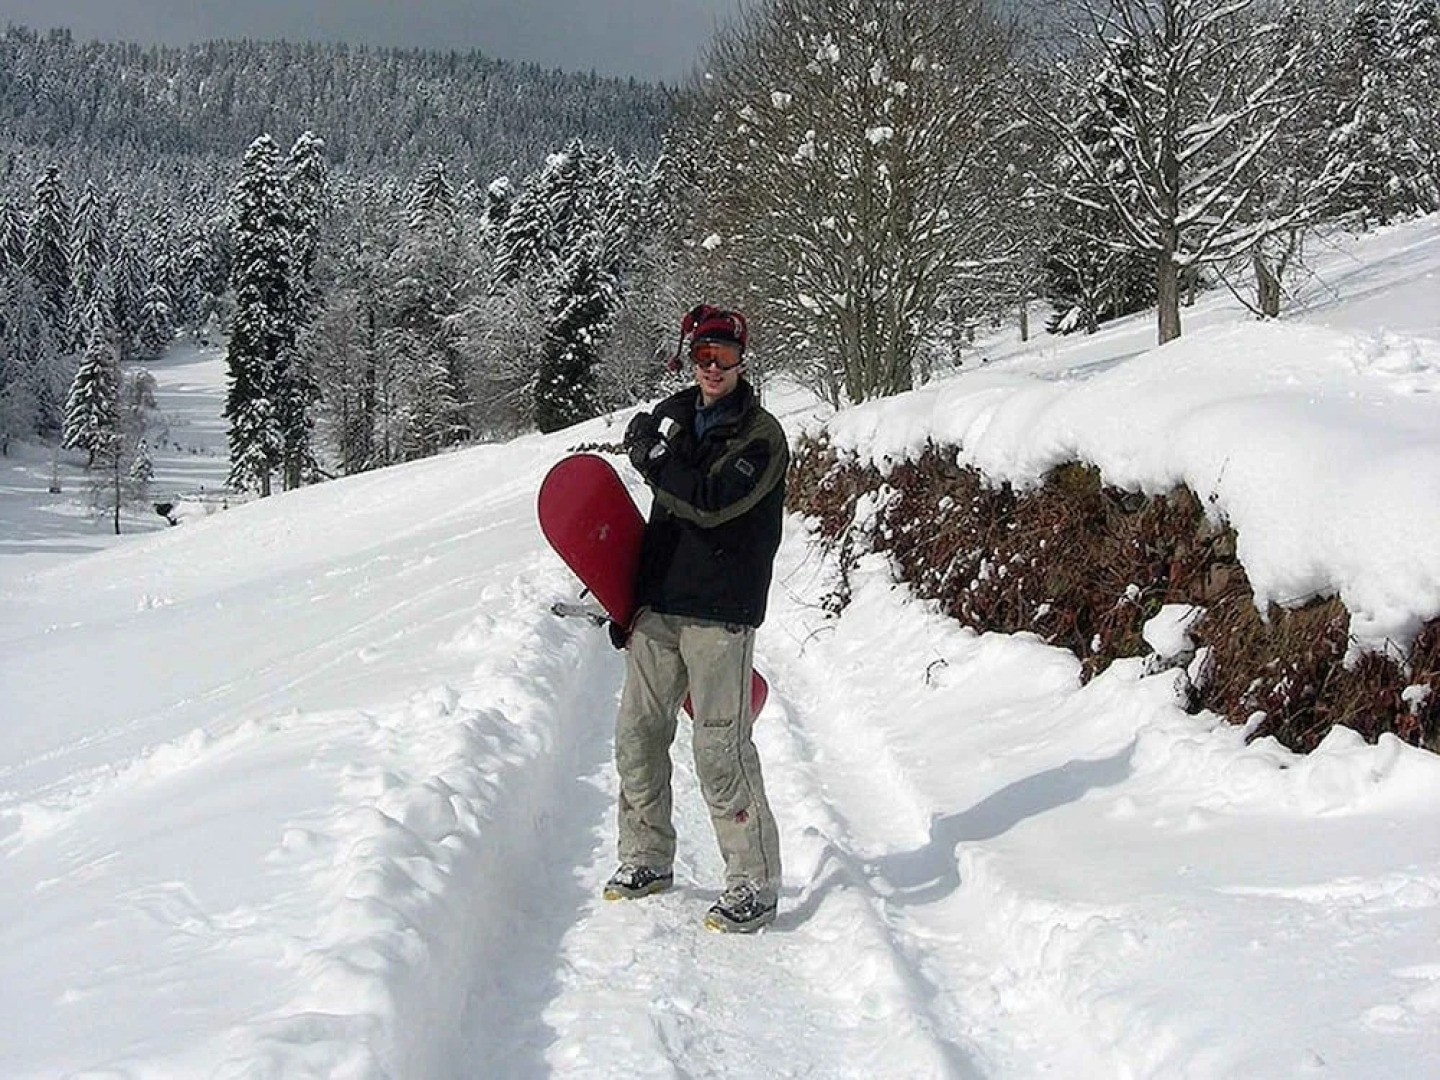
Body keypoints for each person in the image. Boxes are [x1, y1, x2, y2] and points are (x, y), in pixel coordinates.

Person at [605, 304, 788, 933]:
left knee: (719, 750)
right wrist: (627, 599)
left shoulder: (760, 437)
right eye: (704, 357)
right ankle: (646, 857)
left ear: (742, 361)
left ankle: (753, 882)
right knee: (637, 738)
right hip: (661, 609)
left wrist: (653, 460)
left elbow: (709, 503)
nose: (713, 369)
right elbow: (659, 522)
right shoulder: (675, 418)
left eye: (725, 358)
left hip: (721, 615)